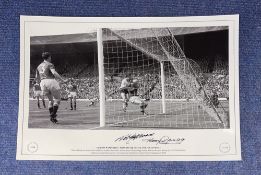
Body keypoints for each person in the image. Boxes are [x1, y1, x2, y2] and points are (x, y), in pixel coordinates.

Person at [35, 52, 67, 124]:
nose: (51, 58)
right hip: (51, 81)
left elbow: (37, 78)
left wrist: (40, 83)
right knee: (57, 99)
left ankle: (52, 118)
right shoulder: (50, 64)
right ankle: (53, 114)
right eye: (50, 57)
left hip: (42, 83)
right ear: (49, 57)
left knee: (50, 101)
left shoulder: (38, 66)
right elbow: (54, 73)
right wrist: (62, 80)